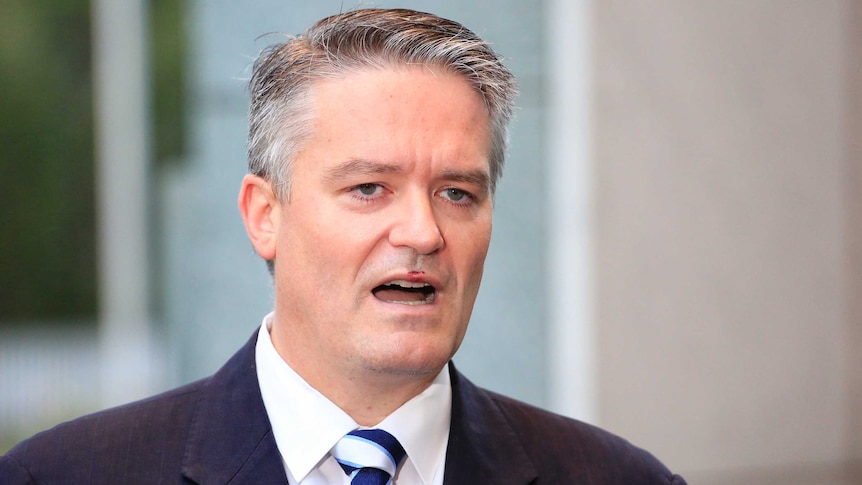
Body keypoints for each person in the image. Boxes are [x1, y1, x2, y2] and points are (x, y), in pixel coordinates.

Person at [0, 8, 686, 485]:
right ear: (264, 214)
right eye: (369, 188)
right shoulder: (63, 473)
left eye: (457, 192)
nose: (423, 232)